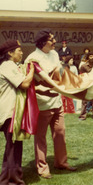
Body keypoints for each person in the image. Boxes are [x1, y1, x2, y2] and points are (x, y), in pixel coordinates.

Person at [25, 29, 77, 179]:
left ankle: (61, 162)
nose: (55, 42)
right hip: (42, 104)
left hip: (56, 101)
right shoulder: (32, 58)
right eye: (51, 40)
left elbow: (58, 73)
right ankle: (42, 168)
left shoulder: (54, 54)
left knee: (60, 133)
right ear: (42, 42)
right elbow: (37, 81)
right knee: (40, 137)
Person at [0, 39, 35, 185]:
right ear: (10, 53)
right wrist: (32, 70)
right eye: (18, 50)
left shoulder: (11, 66)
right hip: (9, 112)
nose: (21, 52)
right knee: (12, 147)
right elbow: (25, 84)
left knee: (15, 146)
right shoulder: (7, 66)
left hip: (13, 111)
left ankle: (14, 177)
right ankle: (8, 180)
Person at [79, 51, 93, 121]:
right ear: (88, 57)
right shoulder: (83, 66)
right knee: (84, 102)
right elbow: (81, 75)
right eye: (90, 56)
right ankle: (82, 116)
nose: (92, 57)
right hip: (86, 85)